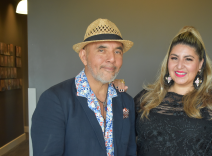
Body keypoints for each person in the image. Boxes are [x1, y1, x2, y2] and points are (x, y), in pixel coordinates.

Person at [115, 26, 212, 155]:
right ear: (168, 61)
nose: (179, 66)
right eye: (174, 58)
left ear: (200, 64)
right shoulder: (147, 98)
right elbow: (118, 131)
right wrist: (113, 90)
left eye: (188, 59)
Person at [31, 18, 137, 156]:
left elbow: (130, 151)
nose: (111, 58)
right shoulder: (54, 101)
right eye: (101, 50)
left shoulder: (126, 102)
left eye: (118, 51)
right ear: (83, 56)